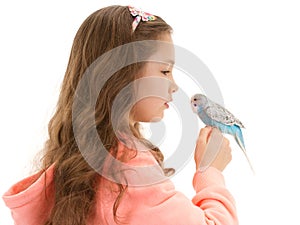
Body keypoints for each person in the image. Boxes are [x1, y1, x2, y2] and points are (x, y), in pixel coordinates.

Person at [2, 5, 238, 225]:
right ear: (122, 75)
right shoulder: (130, 166)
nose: (174, 85)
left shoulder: (78, 163)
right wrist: (210, 172)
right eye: (165, 70)